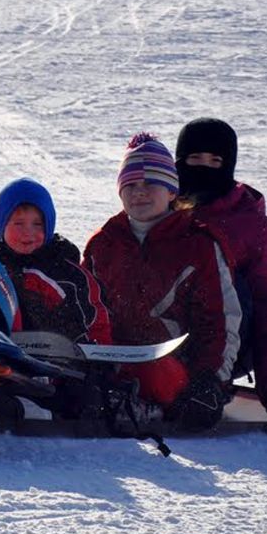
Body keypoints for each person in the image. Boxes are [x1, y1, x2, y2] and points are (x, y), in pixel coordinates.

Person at [84, 133, 242, 430]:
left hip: (176, 369)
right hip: (112, 364)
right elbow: (85, 309)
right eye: (129, 185)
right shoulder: (103, 243)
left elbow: (219, 319)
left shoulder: (199, 244)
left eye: (150, 184)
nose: (138, 192)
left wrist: (210, 380)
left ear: (171, 192)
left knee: (158, 376)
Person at [176, 117, 267, 428]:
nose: (203, 168)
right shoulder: (157, 208)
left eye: (215, 161)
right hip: (156, 338)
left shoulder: (252, 227)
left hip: (226, 345)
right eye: (194, 159)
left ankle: (209, 382)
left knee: (229, 283)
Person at [0, 178, 111, 343]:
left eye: (38, 224)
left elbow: (94, 314)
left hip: (59, 357)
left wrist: (100, 352)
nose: (28, 232)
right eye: (19, 224)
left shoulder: (66, 272)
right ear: (1, 226)